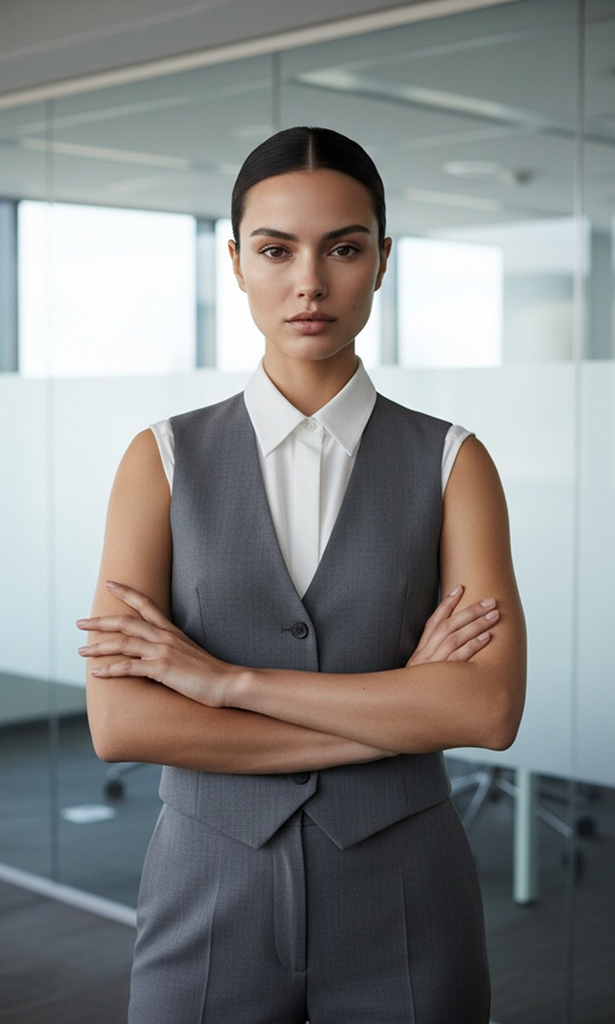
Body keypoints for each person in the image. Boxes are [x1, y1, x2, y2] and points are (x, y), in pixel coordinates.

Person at [77, 126, 526, 1024]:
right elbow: (122, 721)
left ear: (383, 260)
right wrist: (400, 707)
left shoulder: (453, 462)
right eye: (276, 250)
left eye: (344, 248)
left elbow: (484, 711)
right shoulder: (160, 458)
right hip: (207, 883)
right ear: (236, 262)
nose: (309, 282)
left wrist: (223, 684)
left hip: (406, 890)